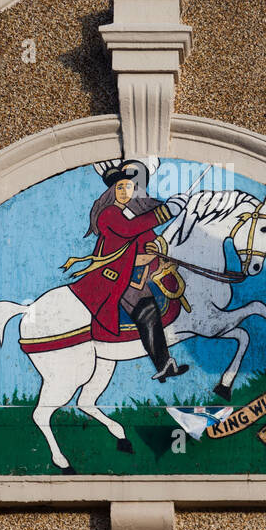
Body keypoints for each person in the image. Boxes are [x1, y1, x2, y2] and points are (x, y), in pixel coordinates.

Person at [65, 160, 189, 381]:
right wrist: (166, 211)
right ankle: (163, 364)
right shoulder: (109, 214)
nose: (124, 192)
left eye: (128, 187)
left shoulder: (123, 212)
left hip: (128, 273)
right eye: (119, 188)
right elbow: (131, 229)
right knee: (147, 308)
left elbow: (140, 232)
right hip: (112, 279)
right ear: (112, 191)